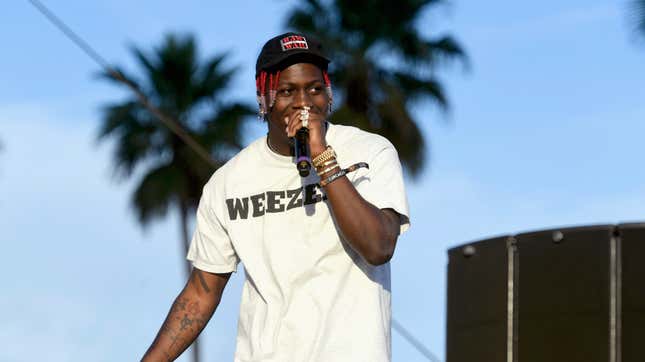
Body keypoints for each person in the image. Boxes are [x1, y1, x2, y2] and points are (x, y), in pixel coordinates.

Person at [141, 32, 410, 362]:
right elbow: (200, 293)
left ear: (329, 94)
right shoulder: (228, 182)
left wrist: (322, 157)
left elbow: (378, 246)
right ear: (263, 98)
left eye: (315, 89)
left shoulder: (370, 151)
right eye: (287, 91)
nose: (303, 102)